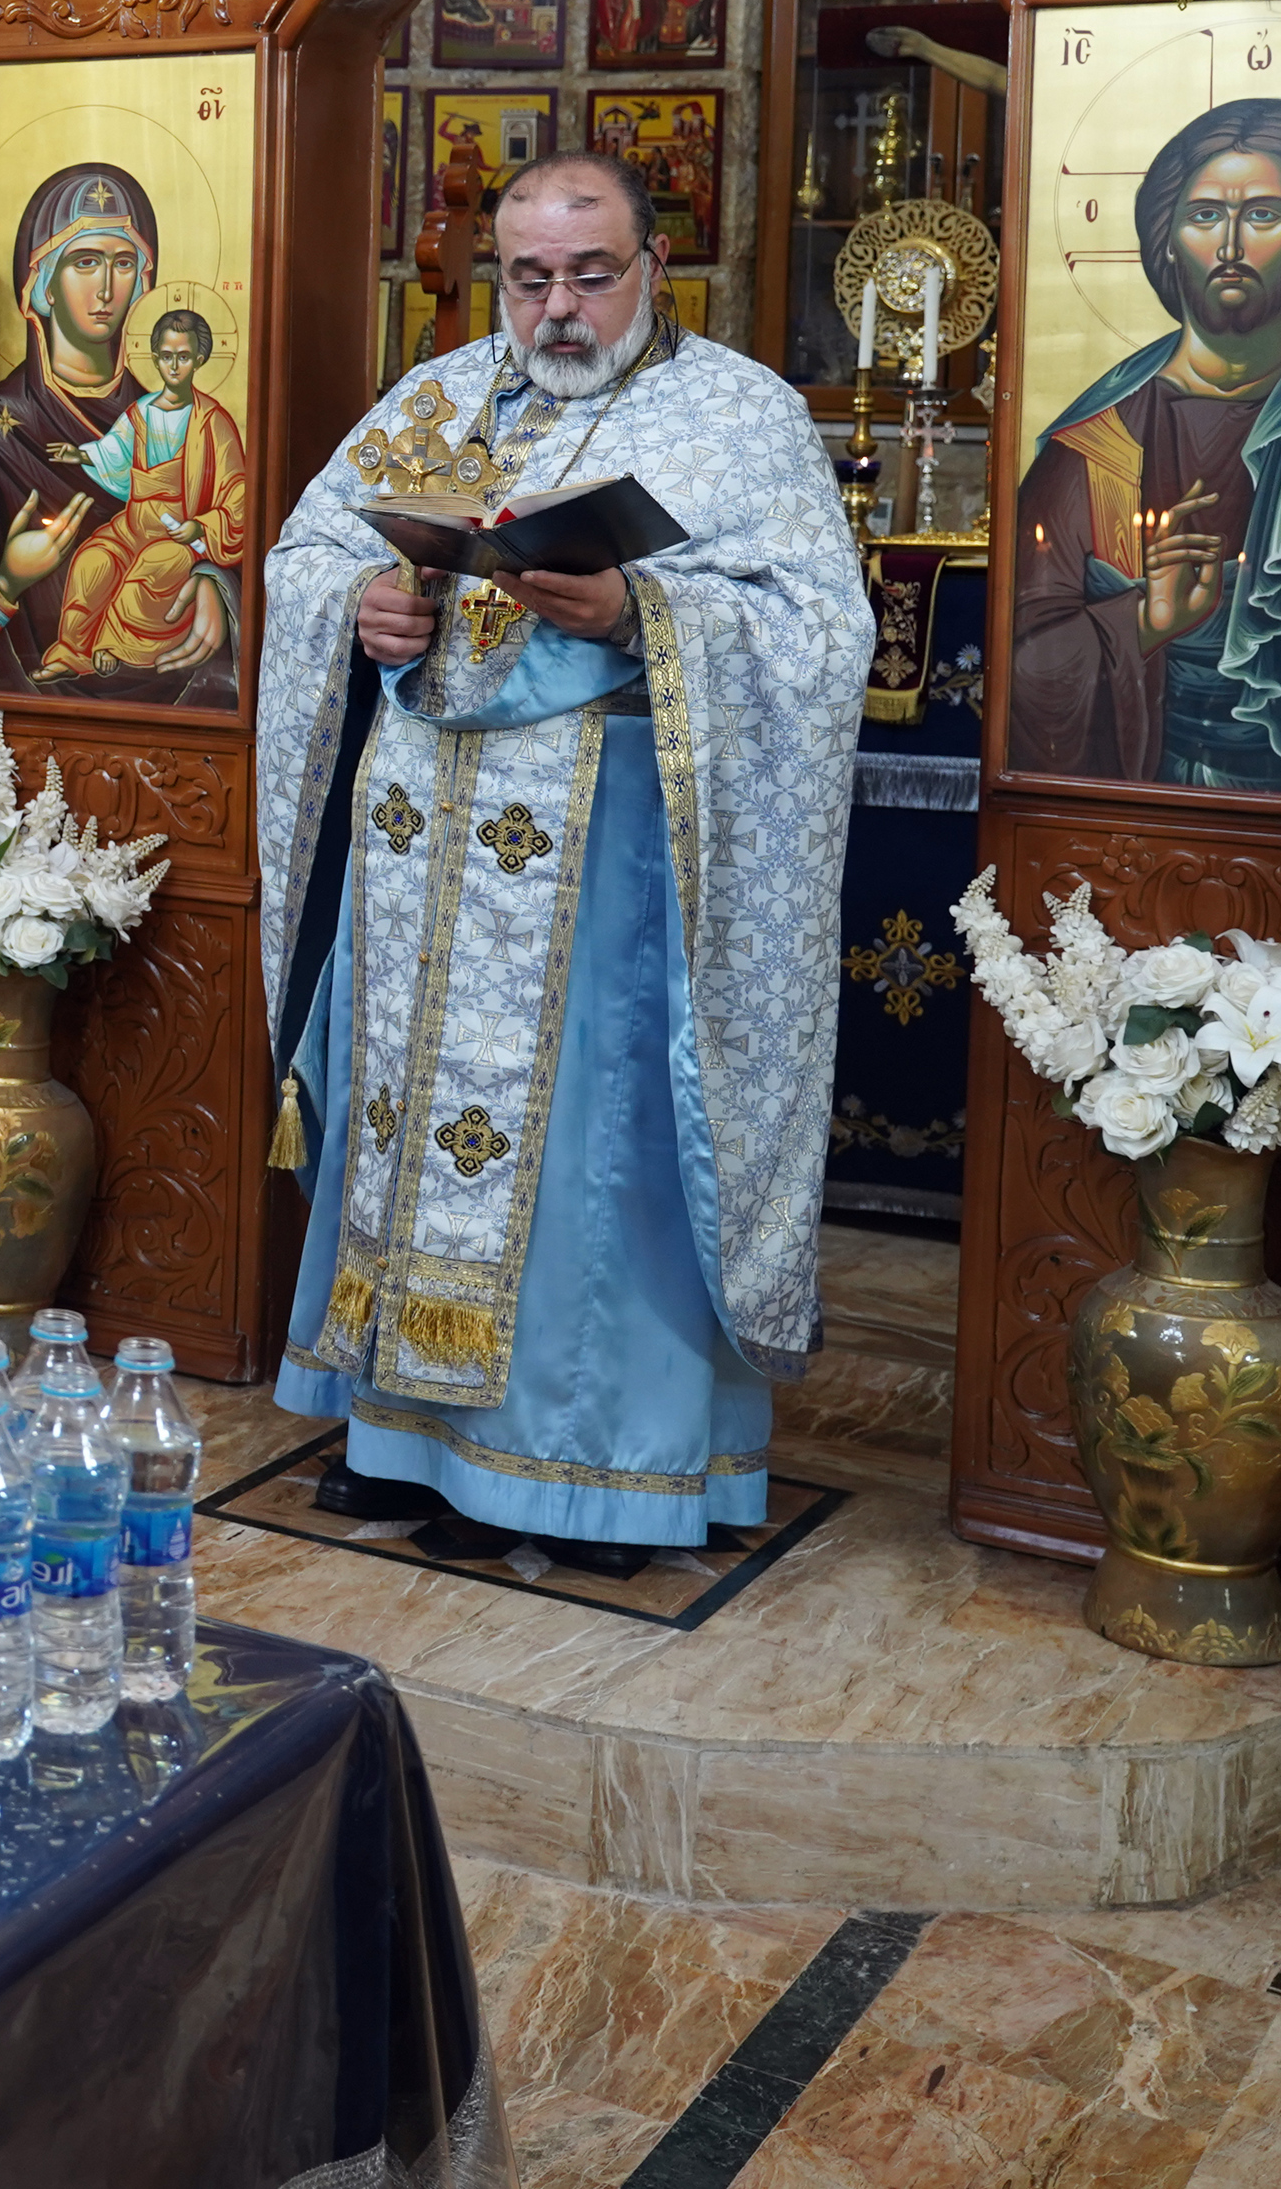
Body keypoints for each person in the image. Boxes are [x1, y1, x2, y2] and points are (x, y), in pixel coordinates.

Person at [256, 150, 866, 1568]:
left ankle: (598, 1471)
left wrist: (643, 610)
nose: (561, 307)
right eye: (531, 278)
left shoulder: (736, 416)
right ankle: (406, 1439)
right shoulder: (434, 399)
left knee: (597, 1159)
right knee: (409, 1131)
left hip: (611, 876)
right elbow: (299, 550)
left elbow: (822, 637)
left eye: (592, 274)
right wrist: (355, 601)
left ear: (656, 268)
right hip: (418, 873)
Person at [1013, 100, 1281, 798]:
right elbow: (1020, 661)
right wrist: (1142, 622)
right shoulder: (1098, 439)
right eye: (1205, 215)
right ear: (1170, 237)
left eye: (1264, 214)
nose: (1230, 244)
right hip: (1143, 809)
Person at [0, 163, 229, 710]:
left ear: (142, 280)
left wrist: (217, 584)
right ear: (41, 285)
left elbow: (227, 519)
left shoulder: (182, 421)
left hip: (167, 705)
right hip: (15, 726)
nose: (105, 288)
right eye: (84, 262)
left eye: (123, 263)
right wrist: (6, 585)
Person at [34, 305, 246, 693]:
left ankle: (113, 647)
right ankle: (71, 653)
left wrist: (200, 525)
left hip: (180, 535)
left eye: (183, 357)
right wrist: (80, 454)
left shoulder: (213, 421)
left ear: (199, 359)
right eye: (167, 357)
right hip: (134, 524)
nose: (174, 366)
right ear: (155, 358)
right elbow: (113, 451)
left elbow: (237, 494)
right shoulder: (141, 412)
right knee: (92, 560)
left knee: (152, 567)